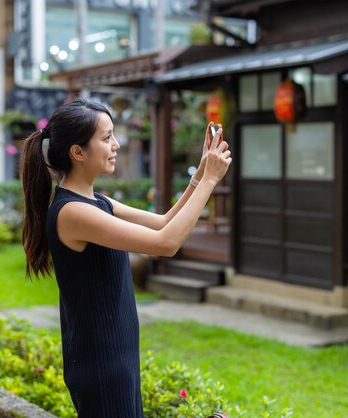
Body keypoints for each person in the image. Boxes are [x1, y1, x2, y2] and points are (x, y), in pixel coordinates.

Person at [20, 98, 231, 417]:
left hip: (116, 359)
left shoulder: (96, 202)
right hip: (101, 367)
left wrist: (201, 174)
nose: (116, 145)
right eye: (106, 138)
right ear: (77, 152)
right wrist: (213, 181)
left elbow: (163, 222)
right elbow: (166, 243)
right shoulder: (72, 212)